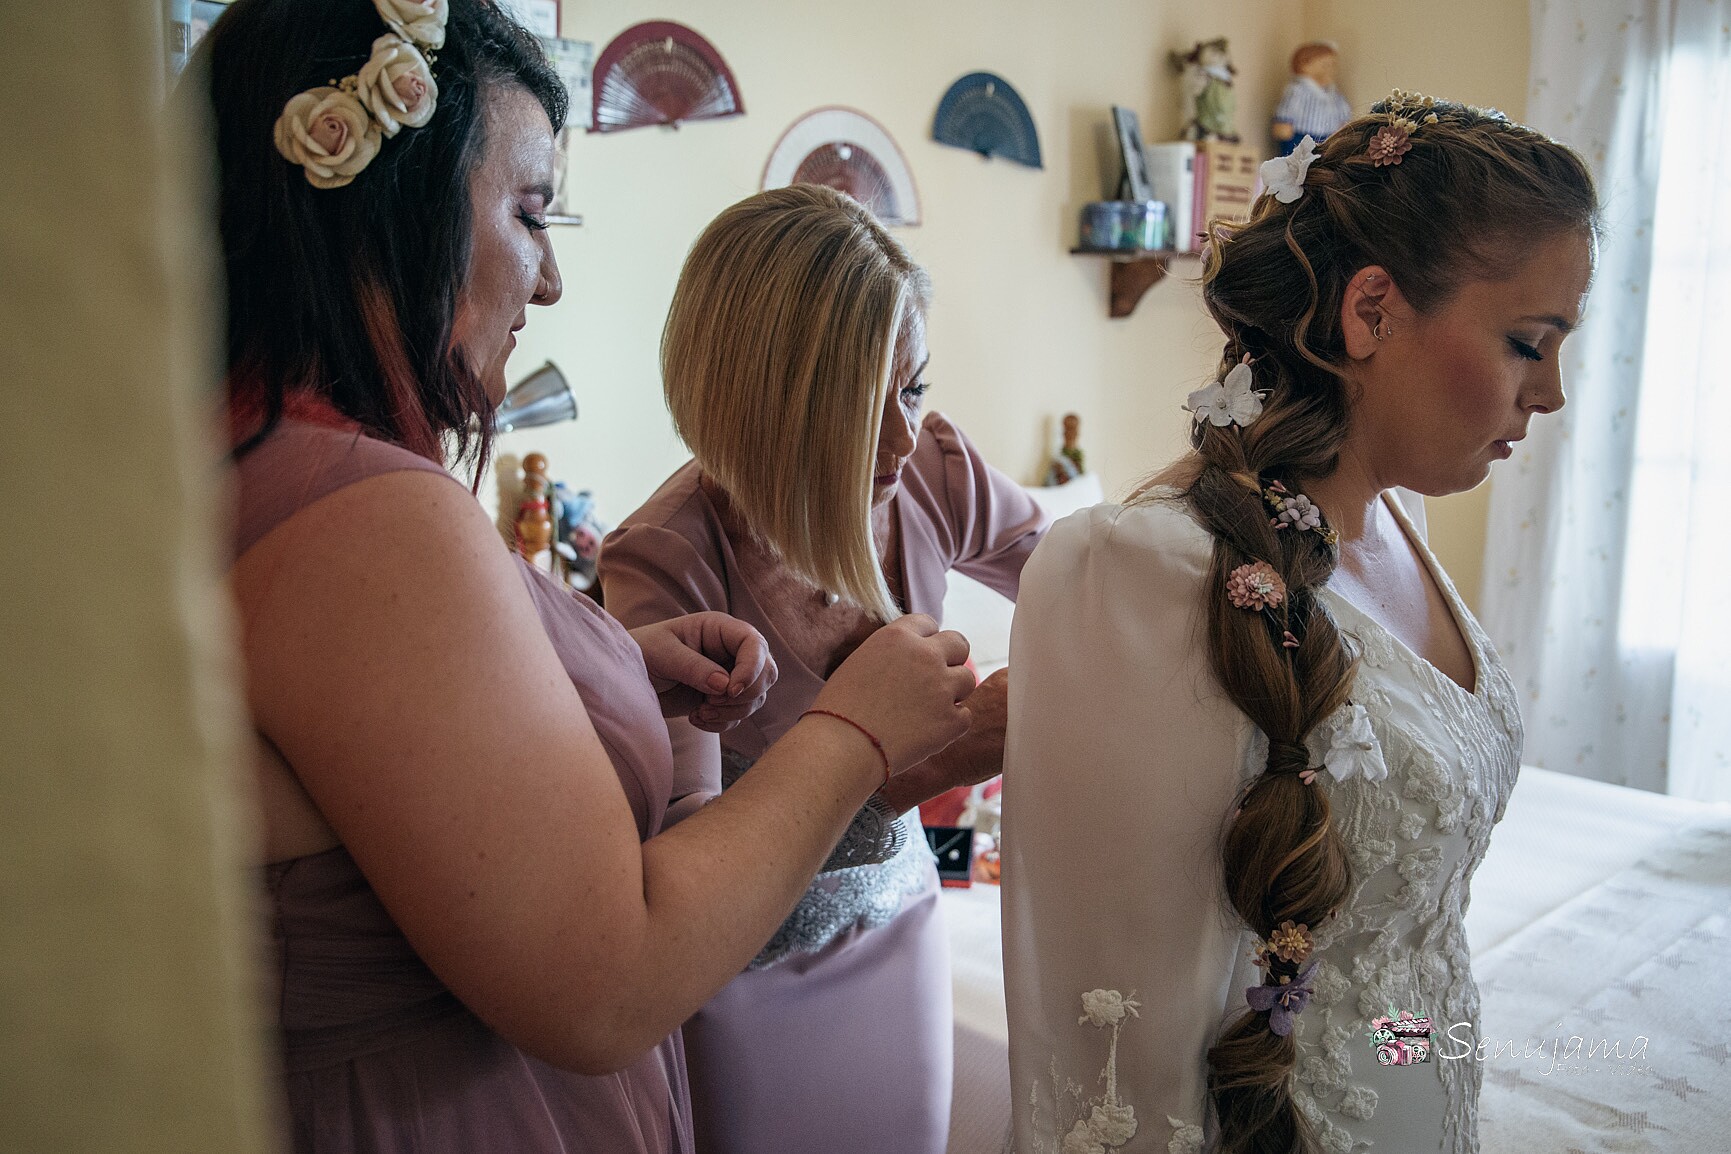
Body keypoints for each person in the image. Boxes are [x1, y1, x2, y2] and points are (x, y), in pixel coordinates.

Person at [205, 2, 977, 1150]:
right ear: (390, 211)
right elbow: (608, 975)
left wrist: (599, 668)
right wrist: (854, 729)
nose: (552, 278)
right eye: (528, 213)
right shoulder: (362, 517)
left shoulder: (258, 461)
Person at [1002, 94, 1597, 1154]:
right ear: (1370, 310)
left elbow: (1399, 958)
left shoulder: (1396, 523)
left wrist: (1425, 1072)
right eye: (1527, 342)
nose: (1551, 393)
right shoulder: (1152, 573)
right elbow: (1124, 1041)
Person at [600, 184, 1048, 1154]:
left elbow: (1096, 585)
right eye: (862, 401)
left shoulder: (931, 468)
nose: (900, 435)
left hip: (903, 931)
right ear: (764, 403)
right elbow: (693, 864)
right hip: (752, 989)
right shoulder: (664, 563)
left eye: (916, 386)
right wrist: (923, 761)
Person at [1273, 42, 1353, 155]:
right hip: (1301, 139)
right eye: (1325, 65)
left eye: (1333, 65)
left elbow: (1344, 115)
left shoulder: (1334, 94)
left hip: (1328, 140)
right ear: (1305, 66)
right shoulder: (1297, 91)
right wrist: (1283, 127)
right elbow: (1287, 113)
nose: (1331, 70)